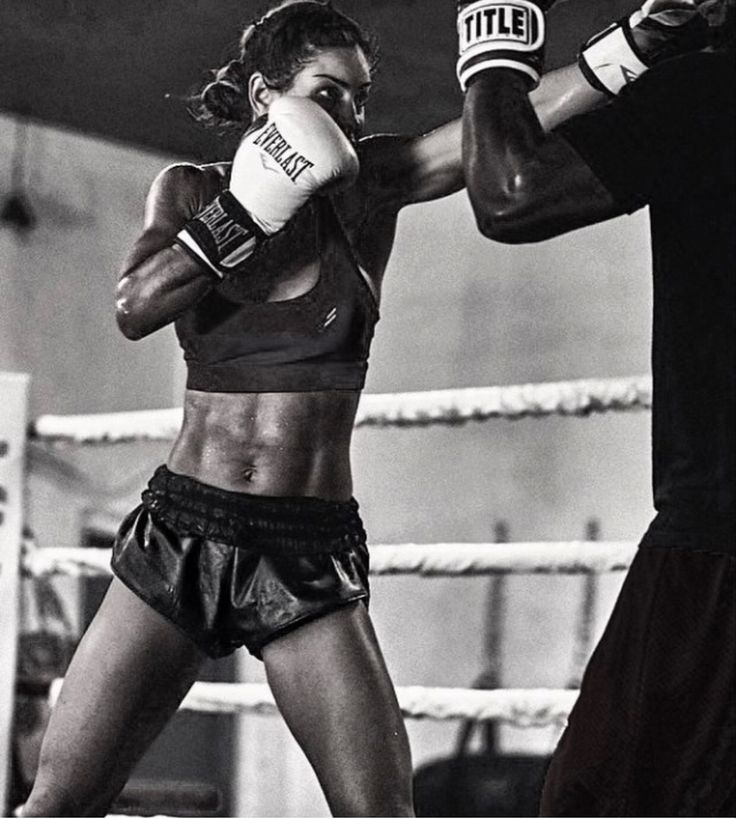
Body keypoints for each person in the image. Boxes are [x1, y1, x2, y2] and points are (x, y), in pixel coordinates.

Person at [19, 1, 716, 816]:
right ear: (264, 99)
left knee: (382, 810)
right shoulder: (190, 189)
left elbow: (494, 132)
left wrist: (629, 48)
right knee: (57, 803)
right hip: (182, 533)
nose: (349, 116)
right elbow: (134, 305)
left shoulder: (370, 188)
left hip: (304, 548)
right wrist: (246, 211)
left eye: (360, 97)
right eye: (327, 94)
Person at [459, 0, 735, 814]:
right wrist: (625, 52)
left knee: (597, 798)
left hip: (717, 543)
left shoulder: (711, 92)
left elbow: (511, 193)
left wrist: (494, 47)